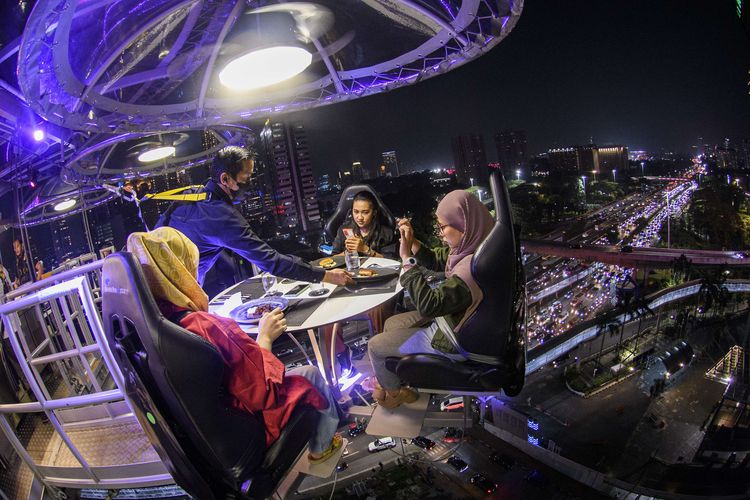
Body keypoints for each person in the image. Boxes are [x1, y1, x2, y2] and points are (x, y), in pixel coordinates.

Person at [127, 227, 343, 464]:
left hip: (204, 437)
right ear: (178, 270)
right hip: (247, 426)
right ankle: (321, 448)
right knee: (310, 374)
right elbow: (264, 394)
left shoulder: (148, 326)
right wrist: (265, 337)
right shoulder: (206, 325)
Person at [156, 146, 352, 288]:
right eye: (246, 178)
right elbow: (271, 261)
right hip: (177, 294)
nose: (250, 183)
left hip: (151, 283)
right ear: (225, 179)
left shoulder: (189, 195)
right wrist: (325, 276)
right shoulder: (223, 217)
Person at [367, 190, 494, 409]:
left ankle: (394, 393)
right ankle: (404, 378)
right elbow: (437, 259)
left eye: (443, 227)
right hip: (455, 320)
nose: (441, 234)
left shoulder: (471, 270)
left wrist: (407, 260)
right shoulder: (476, 247)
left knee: (375, 347)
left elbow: (429, 305)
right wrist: (412, 241)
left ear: (463, 224)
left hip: (454, 339)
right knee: (390, 324)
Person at [325, 191, 398, 376]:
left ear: (373, 212)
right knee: (326, 316)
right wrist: (345, 254)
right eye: (356, 212)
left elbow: (393, 263)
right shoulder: (345, 231)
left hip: (377, 287)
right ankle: (342, 358)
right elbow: (332, 260)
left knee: (378, 310)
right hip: (350, 285)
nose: (359, 217)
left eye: (364, 212)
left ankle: (385, 363)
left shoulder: (386, 233)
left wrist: (365, 249)